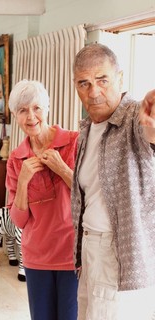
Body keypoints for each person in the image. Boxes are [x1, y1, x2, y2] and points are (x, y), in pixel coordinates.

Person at [71, 43, 155, 320]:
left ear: (120, 78)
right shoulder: (87, 129)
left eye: (102, 80)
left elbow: (150, 134)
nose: (93, 92)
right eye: (84, 83)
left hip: (116, 252)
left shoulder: (132, 117)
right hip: (89, 247)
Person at [6, 79, 79, 320]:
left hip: (73, 256)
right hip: (37, 257)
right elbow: (18, 220)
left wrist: (63, 170)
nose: (31, 116)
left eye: (36, 108)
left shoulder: (75, 142)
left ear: (47, 108)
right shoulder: (16, 159)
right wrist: (24, 180)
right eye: (23, 110)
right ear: (15, 116)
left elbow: (92, 198)